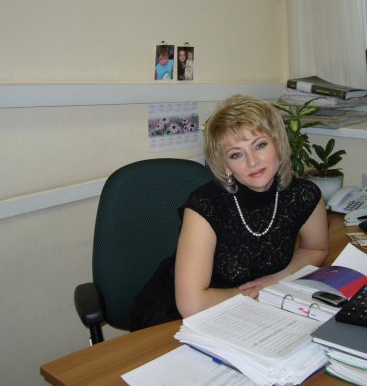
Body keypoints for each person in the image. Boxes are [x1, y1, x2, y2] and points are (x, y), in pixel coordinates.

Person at [129, 95, 329, 330]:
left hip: (251, 311)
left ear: (278, 144)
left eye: (260, 145)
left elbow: (316, 249)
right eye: (236, 154)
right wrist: (249, 295)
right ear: (225, 165)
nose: (252, 161)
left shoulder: (303, 195)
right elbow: (192, 304)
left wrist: (271, 282)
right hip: (176, 316)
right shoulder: (206, 205)